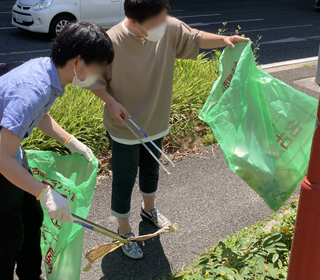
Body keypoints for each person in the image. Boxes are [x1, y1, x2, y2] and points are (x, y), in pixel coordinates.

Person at [88, 0, 249, 259]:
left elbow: (194, 37)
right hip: (125, 125)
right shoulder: (110, 42)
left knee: (152, 170)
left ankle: (148, 210)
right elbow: (90, 78)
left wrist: (224, 39)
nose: (164, 26)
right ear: (134, 21)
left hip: (157, 120)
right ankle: (124, 230)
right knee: (123, 180)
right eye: (157, 22)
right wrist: (111, 102)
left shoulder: (166, 26)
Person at [0, 21, 114, 280]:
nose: (101, 75)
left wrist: (70, 141)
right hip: (3, 158)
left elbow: (38, 116)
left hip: (11, 152)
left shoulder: (49, 72)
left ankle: (30, 275)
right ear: (78, 61)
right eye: (98, 67)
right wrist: (44, 191)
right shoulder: (34, 89)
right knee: (8, 236)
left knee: (31, 219)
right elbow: (2, 158)